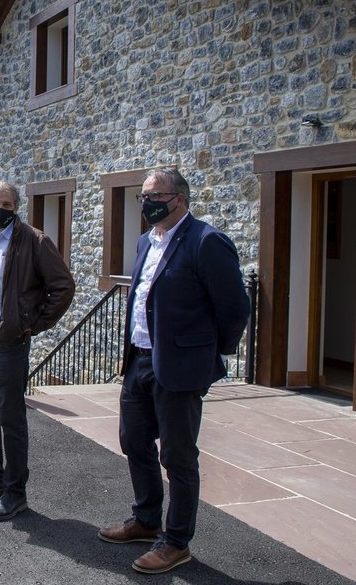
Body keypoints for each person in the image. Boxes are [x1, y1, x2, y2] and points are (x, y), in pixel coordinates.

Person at [98, 167, 250, 574]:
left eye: (154, 195)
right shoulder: (147, 241)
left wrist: (206, 357)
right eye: (143, 196)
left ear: (179, 199)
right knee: (134, 442)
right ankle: (147, 521)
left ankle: (176, 541)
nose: (146, 202)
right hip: (140, 360)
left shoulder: (207, 241)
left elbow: (235, 309)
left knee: (178, 457)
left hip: (181, 367)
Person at [0, 180, 75, 522]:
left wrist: (31, 323)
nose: (0, 209)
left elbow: (63, 286)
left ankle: (14, 492)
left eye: (7, 204)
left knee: (11, 418)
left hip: (9, 342)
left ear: (15, 207)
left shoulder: (34, 240)